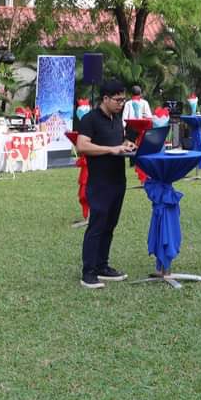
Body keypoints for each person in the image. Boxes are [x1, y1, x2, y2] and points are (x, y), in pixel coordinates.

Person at [76, 80, 136, 289]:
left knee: (110, 225)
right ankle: (88, 273)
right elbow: (82, 146)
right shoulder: (89, 119)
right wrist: (111, 150)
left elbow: (118, 141)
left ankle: (102, 266)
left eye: (123, 100)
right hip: (100, 182)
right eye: (118, 100)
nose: (121, 104)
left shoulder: (117, 118)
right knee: (97, 226)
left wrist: (126, 145)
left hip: (118, 180)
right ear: (106, 99)